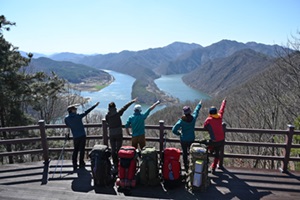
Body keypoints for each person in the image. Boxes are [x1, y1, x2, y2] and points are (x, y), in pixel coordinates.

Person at [64, 102, 99, 171]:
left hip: (75, 136)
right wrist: (94, 105)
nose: (76, 110)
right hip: (82, 135)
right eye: (75, 109)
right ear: (72, 110)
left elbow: (67, 125)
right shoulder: (78, 116)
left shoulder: (67, 119)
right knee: (82, 150)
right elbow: (86, 112)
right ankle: (81, 163)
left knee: (75, 150)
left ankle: (74, 164)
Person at [105, 98, 137, 171]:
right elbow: (125, 107)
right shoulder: (118, 113)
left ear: (109, 108)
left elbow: (107, 122)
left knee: (113, 149)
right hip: (119, 133)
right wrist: (132, 101)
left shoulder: (107, 116)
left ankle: (115, 163)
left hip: (112, 133)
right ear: (115, 107)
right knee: (119, 149)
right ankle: (120, 163)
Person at [172, 100, 202, 173]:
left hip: (184, 139)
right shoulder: (193, 118)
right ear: (190, 111)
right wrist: (199, 104)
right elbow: (196, 111)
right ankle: (192, 166)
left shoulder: (181, 121)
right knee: (192, 152)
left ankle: (186, 167)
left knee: (185, 154)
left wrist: (179, 133)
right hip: (191, 138)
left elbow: (173, 129)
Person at [203, 98, 226, 173]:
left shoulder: (209, 119)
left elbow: (205, 126)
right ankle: (213, 167)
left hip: (214, 140)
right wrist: (223, 102)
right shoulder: (219, 117)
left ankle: (207, 159)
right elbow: (222, 109)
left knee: (206, 147)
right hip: (221, 140)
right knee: (217, 154)